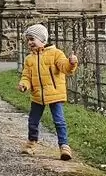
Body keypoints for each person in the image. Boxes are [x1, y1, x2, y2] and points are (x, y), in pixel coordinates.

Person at [18, 24, 78, 160]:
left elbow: (65, 68)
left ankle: (64, 146)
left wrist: (72, 63)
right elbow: (26, 76)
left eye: (32, 39)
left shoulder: (56, 53)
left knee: (59, 121)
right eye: (28, 40)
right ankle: (31, 144)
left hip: (55, 94)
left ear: (42, 39)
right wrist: (24, 85)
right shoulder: (29, 59)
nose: (30, 42)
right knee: (33, 121)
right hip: (37, 95)